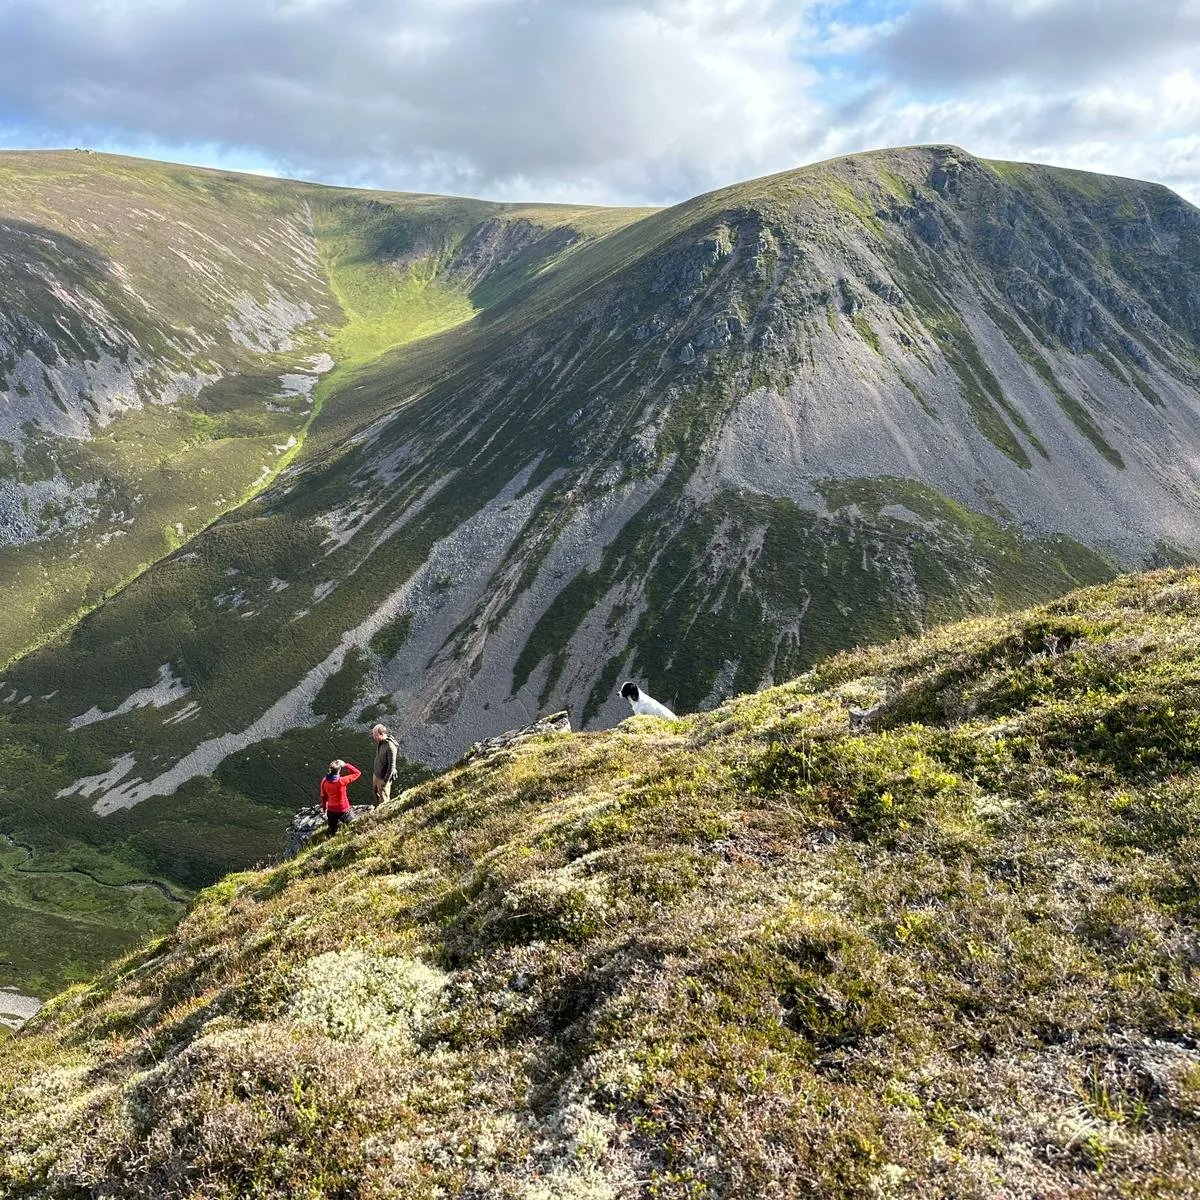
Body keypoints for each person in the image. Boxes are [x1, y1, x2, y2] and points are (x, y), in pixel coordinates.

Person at [319, 758, 360, 835]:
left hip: (331, 810)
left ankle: (330, 837)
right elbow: (357, 773)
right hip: (344, 809)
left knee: (332, 828)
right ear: (339, 770)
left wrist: (324, 808)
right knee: (353, 825)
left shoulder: (324, 781)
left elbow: (323, 796)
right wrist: (345, 765)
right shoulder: (342, 781)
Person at [371, 723, 399, 807]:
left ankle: (383, 813)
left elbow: (392, 766)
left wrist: (385, 781)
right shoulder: (381, 742)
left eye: (376, 735)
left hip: (383, 779)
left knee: (384, 800)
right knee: (375, 793)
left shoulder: (390, 747)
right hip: (376, 775)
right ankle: (379, 808)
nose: (374, 737)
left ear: (382, 734)